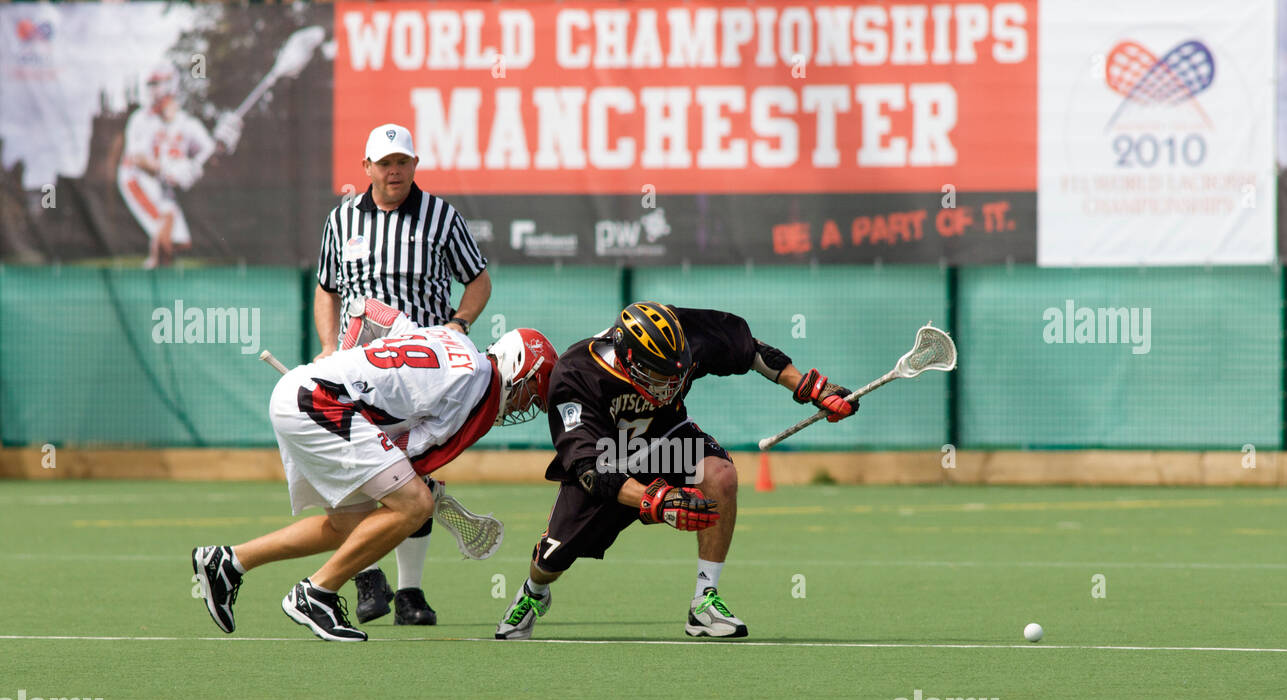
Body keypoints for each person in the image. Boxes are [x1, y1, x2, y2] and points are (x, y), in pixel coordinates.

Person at [495, 301, 858, 641]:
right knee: (551, 559)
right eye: (657, 375)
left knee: (722, 476)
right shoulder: (575, 374)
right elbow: (590, 471)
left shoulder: (684, 336)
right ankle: (533, 593)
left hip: (665, 441)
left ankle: (704, 600)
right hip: (608, 459)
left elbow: (752, 351)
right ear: (628, 360)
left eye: (675, 373)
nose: (670, 385)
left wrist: (813, 389)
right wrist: (658, 499)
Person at [192, 308, 556, 643]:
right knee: (414, 505)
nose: (527, 405)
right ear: (517, 366)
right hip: (322, 403)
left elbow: (369, 310)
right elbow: (409, 451)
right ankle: (316, 593)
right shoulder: (481, 389)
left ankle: (228, 562)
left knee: (350, 523)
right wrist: (422, 490)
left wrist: (339, 357)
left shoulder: (453, 339)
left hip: (306, 390)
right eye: (531, 392)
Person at [315, 122, 492, 627]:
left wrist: (459, 324)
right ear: (366, 167)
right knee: (357, 470)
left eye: (403, 162)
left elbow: (478, 280)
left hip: (419, 373)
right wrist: (328, 347)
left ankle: (410, 593)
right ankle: (367, 577)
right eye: (385, 163)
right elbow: (327, 287)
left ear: (414, 165)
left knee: (416, 472)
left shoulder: (441, 217)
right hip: (356, 368)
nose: (395, 171)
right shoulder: (342, 219)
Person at [117, 62, 242, 268]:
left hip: (163, 187)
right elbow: (137, 159)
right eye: (150, 84)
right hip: (137, 180)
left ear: (170, 85)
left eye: (156, 84)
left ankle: (157, 274)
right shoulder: (141, 119)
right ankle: (154, 274)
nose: (152, 90)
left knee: (175, 240)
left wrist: (225, 143)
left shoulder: (187, 124)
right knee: (166, 227)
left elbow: (211, 156)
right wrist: (168, 169)